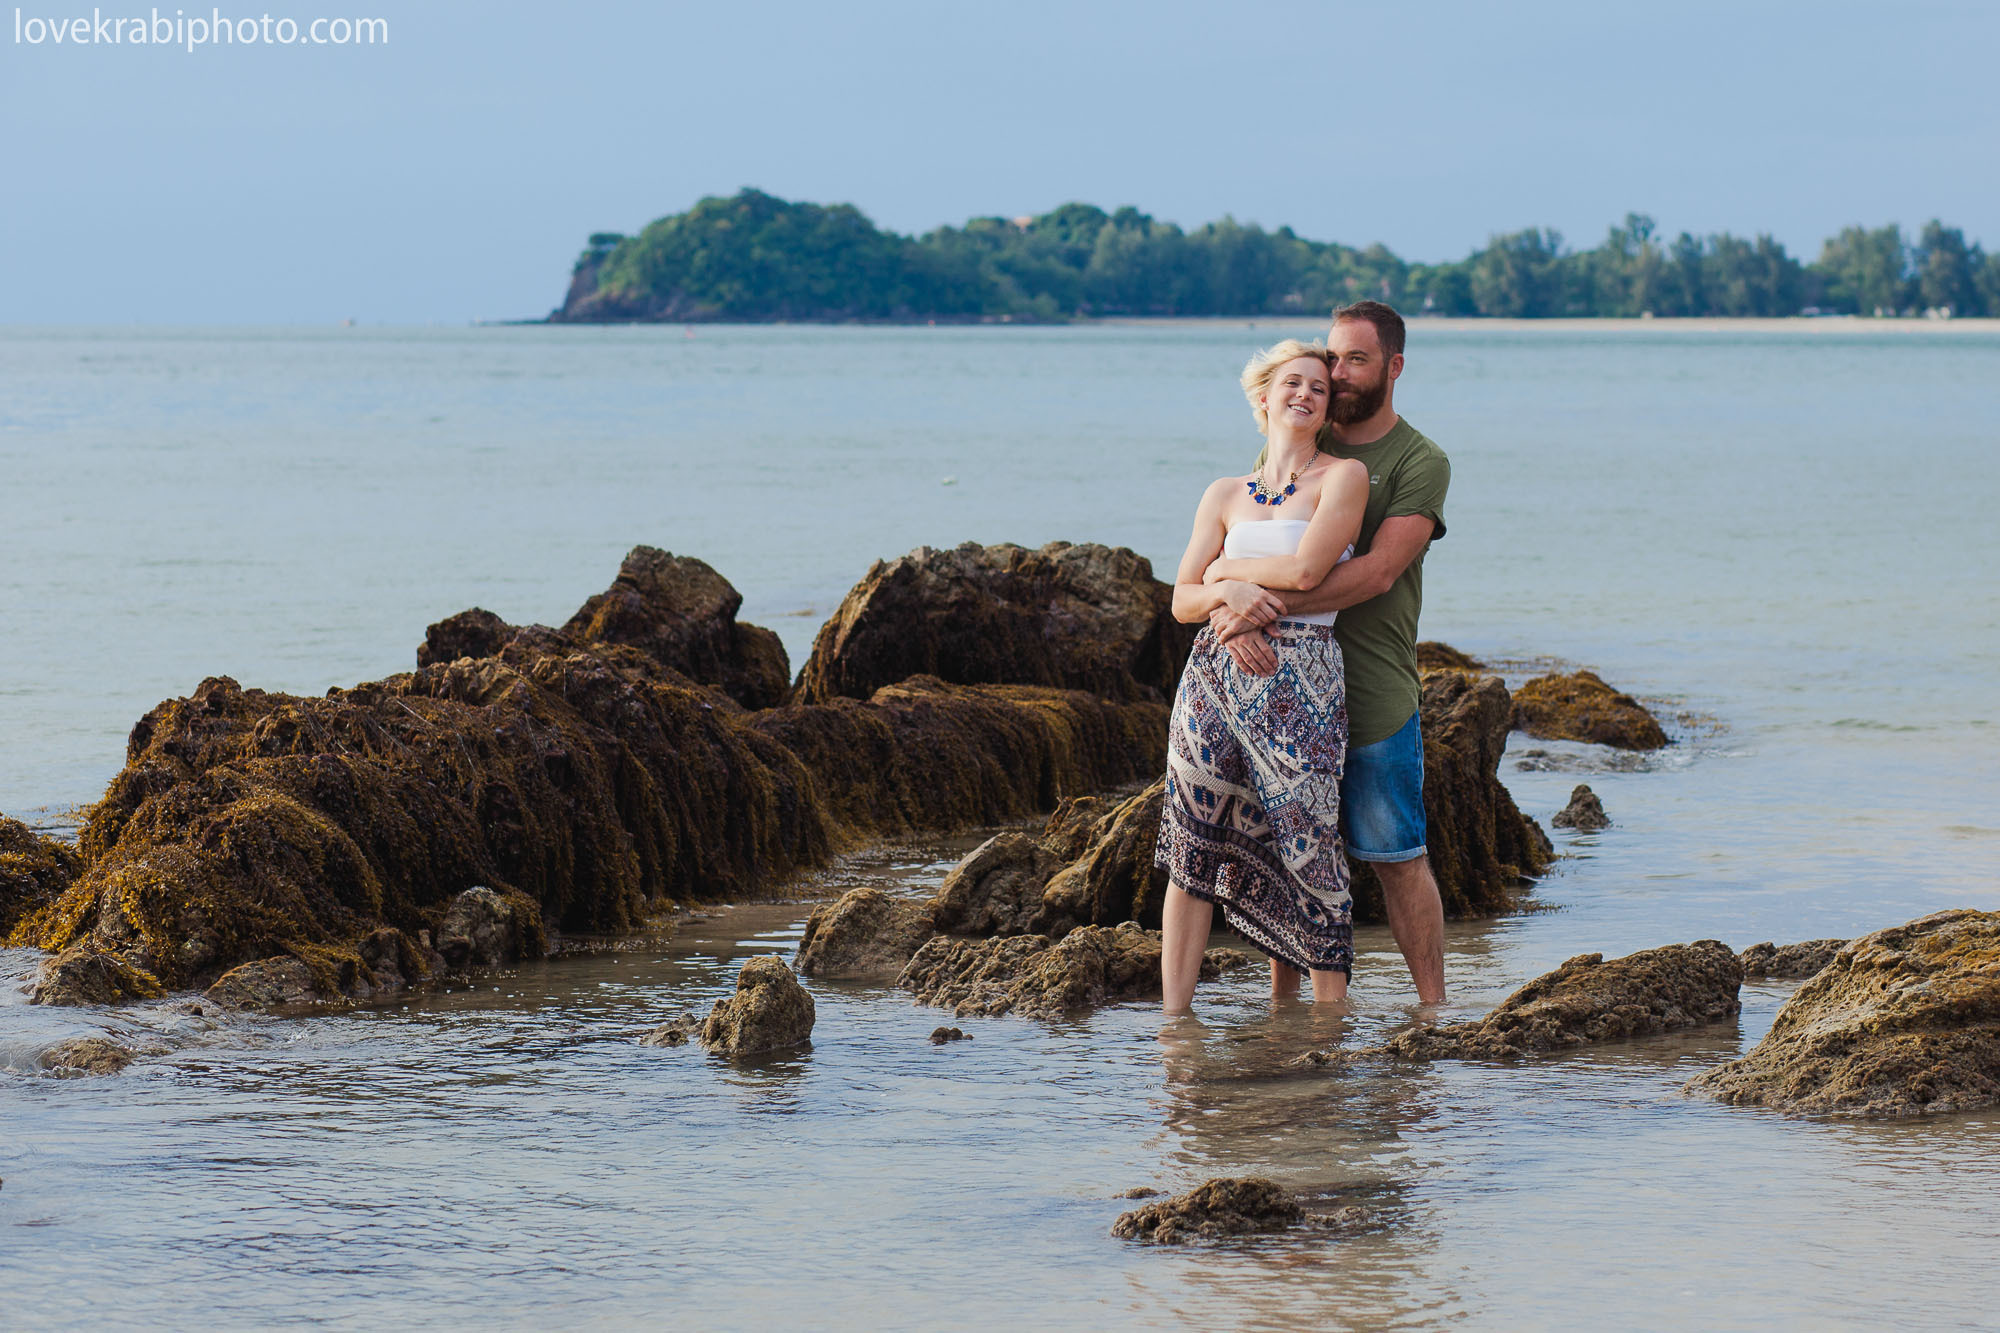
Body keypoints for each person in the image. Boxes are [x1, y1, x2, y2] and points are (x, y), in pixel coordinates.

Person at [1206, 301, 1451, 1004]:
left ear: (1394, 367)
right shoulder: (1300, 438)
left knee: (1397, 857)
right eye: (1333, 358)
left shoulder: (1418, 461)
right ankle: (1288, 1017)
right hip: (1279, 686)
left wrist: (1253, 602)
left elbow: (1376, 573)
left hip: (1373, 688)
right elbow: (1246, 545)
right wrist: (1233, 605)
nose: (1336, 375)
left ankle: (1433, 1011)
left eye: (1356, 361)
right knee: (1290, 853)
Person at [1155, 340, 1371, 1012]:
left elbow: (1309, 572)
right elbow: (1179, 600)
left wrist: (1226, 575)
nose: (1305, 394)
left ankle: (1329, 1024)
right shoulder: (1224, 493)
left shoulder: (1343, 478)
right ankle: (1175, 1021)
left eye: (1318, 388)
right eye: (1292, 383)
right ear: (1264, 396)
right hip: (1213, 675)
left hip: (1301, 675)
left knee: (1311, 845)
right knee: (1193, 848)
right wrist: (1224, 598)